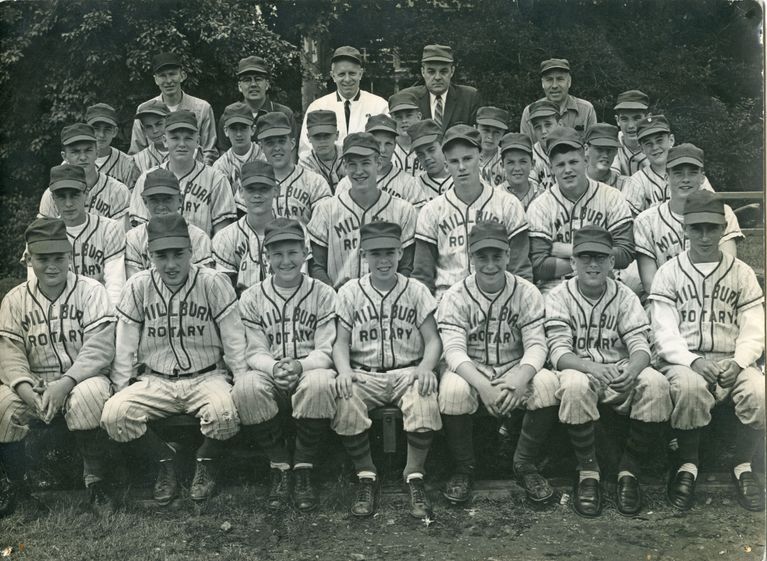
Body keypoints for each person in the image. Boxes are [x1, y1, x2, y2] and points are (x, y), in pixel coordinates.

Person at [101, 214, 246, 505]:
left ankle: (205, 462)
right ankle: (165, 462)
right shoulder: (138, 286)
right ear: (148, 255)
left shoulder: (213, 282)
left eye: (178, 254)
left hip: (207, 377)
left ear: (191, 251)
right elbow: (126, 344)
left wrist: (240, 379)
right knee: (114, 415)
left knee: (226, 414)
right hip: (155, 380)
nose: (170, 264)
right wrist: (120, 386)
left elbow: (233, 340)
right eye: (161, 255)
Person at [648, 190, 765, 513]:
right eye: (696, 228)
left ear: (723, 228)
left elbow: (755, 327)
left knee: (760, 392)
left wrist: (740, 363)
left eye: (712, 228)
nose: (704, 236)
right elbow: (664, 332)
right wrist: (693, 361)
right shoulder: (669, 272)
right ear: (685, 229)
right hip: (684, 360)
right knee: (688, 387)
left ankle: (743, 465)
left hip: (732, 359)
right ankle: (687, 464)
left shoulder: (741, 272)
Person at [545, 225, 672, 517]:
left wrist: (635, 369)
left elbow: (641, 345)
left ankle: (630, 471)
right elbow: (559, 353)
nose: (592, 264)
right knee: (575, 384)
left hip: (619, 370)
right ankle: (588, 472)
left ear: (612, 262)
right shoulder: (557, 296)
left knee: (655, 383)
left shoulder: (625, 296)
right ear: (573, 261)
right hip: (580, 368)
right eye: (585, 257)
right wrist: (590, 366)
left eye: (600, 257)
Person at [437, 221, 560, 506]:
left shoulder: (527, 292)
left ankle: (524, 464)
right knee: (453, 390)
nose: (490, 264)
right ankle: (464, 468)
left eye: (497, 256)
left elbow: (536, 345)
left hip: (513, 366)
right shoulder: (455, 295)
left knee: (547, 384)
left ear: (508, 255)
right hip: (473, 368)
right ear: (471, 257)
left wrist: (520, 377)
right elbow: (454, 352)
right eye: (482, 256)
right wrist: (482, 386)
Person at [0, 218, 116, 516]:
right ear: (29, 259)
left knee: (89, 398)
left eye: (58, 258)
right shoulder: (14, 300)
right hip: (34, 385)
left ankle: (97, 485)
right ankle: (21, 490)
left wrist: (64, 384)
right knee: (3, 406)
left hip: (80, 380)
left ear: (70, 256)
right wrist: (26, 391)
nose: (51, 266)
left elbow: (99, 349)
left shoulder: (91, 291)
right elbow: (9, 355)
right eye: (42, 259)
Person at [332, 221, 442, 519]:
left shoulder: (416, 290)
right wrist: (343, 370)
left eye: (390, 253)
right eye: (375, 253)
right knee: (345, 397)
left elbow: (433, 341)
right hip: (364, 372)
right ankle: (366, 474)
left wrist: (426, 367)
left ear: (400, 253)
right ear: (364, 255)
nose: (383, 261)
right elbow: (340, 344)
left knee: (424, 394)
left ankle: (415, 474)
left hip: (407, 371)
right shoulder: (350, 291)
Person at [234, 218, 337, 512]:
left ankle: (303, 465)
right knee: (246, 387)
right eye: (277, 254)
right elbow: (254, 350)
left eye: (292, 252)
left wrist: (301, 367)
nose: (286, 260)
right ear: (267, 257)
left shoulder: (323, 293)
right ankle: (279, 464)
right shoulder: (252, 297)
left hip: (310, 368)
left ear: (305, 252)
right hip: (271, 372)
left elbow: (326, 349)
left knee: (320, 383)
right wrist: (274, 368)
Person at [413, 125, 532, 300]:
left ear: (481, 159)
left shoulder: (508, 204)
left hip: (500, 299)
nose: (461, 167)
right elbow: (423, 276)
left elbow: (520, 269)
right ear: (446, 165)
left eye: (467, 158)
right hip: (446, 302)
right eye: (454, 161)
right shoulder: (431, 211)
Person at [526, 127, 634, 294]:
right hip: (554, 289)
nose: (567, 170)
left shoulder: (612, 197)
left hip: (605, 285)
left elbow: (625, 253)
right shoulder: (540, 206)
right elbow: (539, 266)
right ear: (551, 167)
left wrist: (568, 250)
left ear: (585, 158)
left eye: (573, 162)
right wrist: (597, 260)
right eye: (560, 164)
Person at [307, 132, 417, 289]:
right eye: (352, 164)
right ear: (345, 166)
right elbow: (316, 266)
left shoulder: (403, 210)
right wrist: (333, 295)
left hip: (389, 300)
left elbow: (407, 266)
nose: (359, 171)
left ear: (378, 163)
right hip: (339, 301)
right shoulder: (326, 210)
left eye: (365, 163)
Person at [634, 143, 743, 295]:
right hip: (664, 300)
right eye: (678, 173)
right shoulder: (646, 221)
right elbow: (650, 283)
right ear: (666, 177)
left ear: (702, 177)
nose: (685, 179)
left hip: (713, 295)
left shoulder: (723, 212)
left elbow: (727, 269)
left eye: (692, 173)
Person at [31, 165, 126, 308]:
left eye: (74, 195)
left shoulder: (110, 228)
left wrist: (109, 320)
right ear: (53, 198)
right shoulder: (40, 235)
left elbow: (115, 287)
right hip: (60, 311)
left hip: (101, 308)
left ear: (86, 193)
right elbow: (36, 288)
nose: (68, 204)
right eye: (62, 196)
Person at [130, 110, 237, 237]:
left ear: (197, 141)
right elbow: (139, 233)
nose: (182, 144)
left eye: (188, 138)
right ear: (165, 141)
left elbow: (222, 234)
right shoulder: (146, 179)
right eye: (175, 138)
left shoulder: (216, 179)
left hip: (203, 254)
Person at [298, 46, 388, 159]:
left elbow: (387, 146)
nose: (347, 79)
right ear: (333, 76)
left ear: (360, 74)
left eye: (352, 73)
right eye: (341, 74)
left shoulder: (379, 106)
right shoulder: (318, 106)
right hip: (326, 173)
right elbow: (306, 149)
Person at [129, 52, 218, 165]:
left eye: (172, 74)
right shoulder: (144, 109)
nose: (168, 80)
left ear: (182, 75)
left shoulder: (202, 107)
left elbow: (209, 152)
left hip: (194, 174)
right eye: (162, 76)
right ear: (156, 80)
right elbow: (136, 153)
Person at [39, 123, 131, 230]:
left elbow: (123, 237)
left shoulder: (118, 191)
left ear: (97, 152)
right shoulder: (51, 194)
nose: (83, 157)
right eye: (75, 152)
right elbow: (43, 236)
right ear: (64, 156)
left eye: (88, 150)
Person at [125, 168, 213, 279]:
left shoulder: (199, 238)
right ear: (145, 202)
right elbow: (136, 284)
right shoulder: (134, 238)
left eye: (167, 199)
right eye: (154, 200)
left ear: (180, 200)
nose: (161, 206)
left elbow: (202, 282)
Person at [622, 115, 714, 216]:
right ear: (642, 149)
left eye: (659, 140)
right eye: (648, 144)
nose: (655, 147)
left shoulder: (693, 175)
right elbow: (629, 220)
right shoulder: (636, 181)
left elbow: (712, 207)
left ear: (671, 140)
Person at [212, 161, 281, 294]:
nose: (257, 195)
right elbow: (225, 292)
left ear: (276, 190)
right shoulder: (225, 237)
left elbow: (299, 281)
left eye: (264, 189)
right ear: (240, 191)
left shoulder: (295, 232)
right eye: (251, 189)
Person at [334, 114, 426, 208]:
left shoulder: (408, 183)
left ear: (395, 145)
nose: (382, 150)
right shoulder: (346, 184)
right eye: (377, 143)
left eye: (388, 144)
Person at [257, 112, 332, 226]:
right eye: (270, 143)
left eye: (282, 141)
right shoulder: (253, 185)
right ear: (261, 147)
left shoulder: (315, 182)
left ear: (292, 143)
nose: (277, 148)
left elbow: (323, 228)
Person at [216, 56, 298, 154]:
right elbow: (224, 158)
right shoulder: (228, 117)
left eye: (258, 79)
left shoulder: (284, 114)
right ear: (239, 86)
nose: (253, 84)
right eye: (247, 80)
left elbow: (291, 156)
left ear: (267, 84)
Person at [399, 44, 480, 134]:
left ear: (452, 71)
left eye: (443, 71)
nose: (437, 77)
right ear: (423, 72)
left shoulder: (469, 97)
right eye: (431, 72)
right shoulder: (409, 97)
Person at [519, 58, 596, 139]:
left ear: (569, 81)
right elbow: (526, 149)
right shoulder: (529, 112)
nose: (554, 85)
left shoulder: (586, 109)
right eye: (549, 80)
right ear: (542, 83)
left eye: (560, 79)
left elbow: (592, 147)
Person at [212, 102, 266, 216]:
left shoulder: (264, 157)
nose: (239, 134)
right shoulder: (220, 166)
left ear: (253, 129)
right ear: (226, 131)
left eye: (243, 128)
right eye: (233, 129)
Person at [85, 103, 137, 189]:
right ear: (87, 129)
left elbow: (132, 200)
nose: (101, 135)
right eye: (96, 128)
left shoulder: (128, 163)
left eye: (107, 129)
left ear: (115, 132)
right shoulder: (72, 162)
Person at [407, 119, 454, 202]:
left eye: (431, 150)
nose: (427, 157)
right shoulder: (415, 185)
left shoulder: (462, 176)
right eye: (421, 154)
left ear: (443, 146)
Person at [298, 110, 345, 193]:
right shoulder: (306, 161)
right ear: (309, 137)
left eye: (327, 135)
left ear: (337, 135)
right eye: (317, 136)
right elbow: (313, 191)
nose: (322, 141)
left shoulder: (347, 155)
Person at [497, 133, 545, 210]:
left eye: (523, 161)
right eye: (510, 162)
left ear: (533, 164)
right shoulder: (495, 196)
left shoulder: (543, 195)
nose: (517, 168)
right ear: (502, 165)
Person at [611, 90, 651, 176]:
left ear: (648, 118)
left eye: (637, 118)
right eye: (624, 119)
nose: (631, 125)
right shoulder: (612, 143)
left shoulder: (658, 145)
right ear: (617, 120)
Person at [132, 100, 172, 175]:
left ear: (170, 122)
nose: (155, 130)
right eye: (149, 127)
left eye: (159, 124)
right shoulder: (138, 160)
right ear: (144, 130)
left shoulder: (190, 152)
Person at [388, 90, 423, 176]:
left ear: (419, 117)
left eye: (409, 115)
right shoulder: (386, 151)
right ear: (391, 120)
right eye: (398, 117)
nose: (404, 121)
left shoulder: (428, 148)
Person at [527, 100, 560, 190]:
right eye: (538, 127)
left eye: (548, 124)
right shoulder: (530, 155)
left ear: (559, 124)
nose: (543, 131)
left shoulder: (572, 150)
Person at [584, 123, 626, 189]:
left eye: (610, 150)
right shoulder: (574, 181)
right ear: (586, 149)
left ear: (616, 152)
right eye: (599, 149)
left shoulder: (625, 184)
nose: (605, 155)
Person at [475, 106, 508, 187]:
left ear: (503, 134)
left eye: (496, 132)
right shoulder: (465, 156)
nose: (490, 136)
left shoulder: (507, 159)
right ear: (475, 128)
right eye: (486, 130)